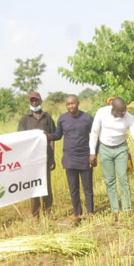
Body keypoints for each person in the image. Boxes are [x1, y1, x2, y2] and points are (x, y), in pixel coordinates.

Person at [89, 97, 134, 219]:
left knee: (123, 178)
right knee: (110, 180)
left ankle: (127, 208)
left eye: (124, 110)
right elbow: (94, 132)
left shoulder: (128, 117)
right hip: (105, 149)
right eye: (120, 111)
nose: (123, 113)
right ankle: (115, 210)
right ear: (113, 108)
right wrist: (92, 152)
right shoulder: (102, 112)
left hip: (121, 149)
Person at [46, 94, 93, 224]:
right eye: (68, 104)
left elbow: (95, 136)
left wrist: (93, 154)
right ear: (66, 105)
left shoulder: (87, 118)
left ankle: (90, 213)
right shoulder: (62, 119)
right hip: (70, 158)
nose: (71, 106)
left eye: (73, 103)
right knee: (73, 189)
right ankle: (77, 213)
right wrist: (47, 136)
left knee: (88, 188)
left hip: (85, 157)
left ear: (78, 103)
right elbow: (57, 135)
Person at [17, 92, 56, 219]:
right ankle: (35, 214)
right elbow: (20, 139)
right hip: (31, 159)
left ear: (40, 101)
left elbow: (52, 138)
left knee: (46, 185)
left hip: (45, 156)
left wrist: (52, 157)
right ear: (29, 102)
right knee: (34, 186)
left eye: (36, 100)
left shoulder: (47, 117)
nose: (34, 102)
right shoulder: (25, 119)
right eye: (32, 100)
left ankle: (48, 212)